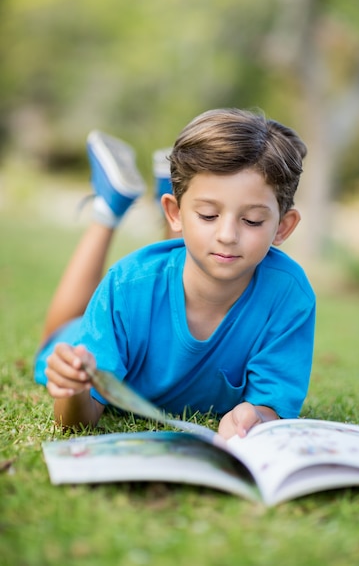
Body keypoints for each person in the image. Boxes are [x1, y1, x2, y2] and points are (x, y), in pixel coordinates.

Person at [34, 108, 316, 439]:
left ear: (283, 227)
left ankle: (172, 196)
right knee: (57, 334)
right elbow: (75, 423)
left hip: (158, 291)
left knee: (198, 251)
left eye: (252, 220)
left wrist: (253, 415)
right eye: (209, 215)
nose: (228, 235)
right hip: (96, 333)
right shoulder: (126, 286)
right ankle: (109, 206)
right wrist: (73, 388)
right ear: (175, 213)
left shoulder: (288, 295)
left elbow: (271, 406)